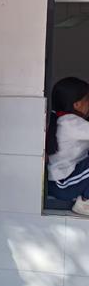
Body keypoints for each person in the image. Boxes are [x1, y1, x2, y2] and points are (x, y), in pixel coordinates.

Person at [47, 77, 89, 215]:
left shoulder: (64, 120)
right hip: (64, 184)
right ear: (77, 105)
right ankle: (85, 202)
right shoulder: (71, 123)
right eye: (87, 100)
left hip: (61, 183)